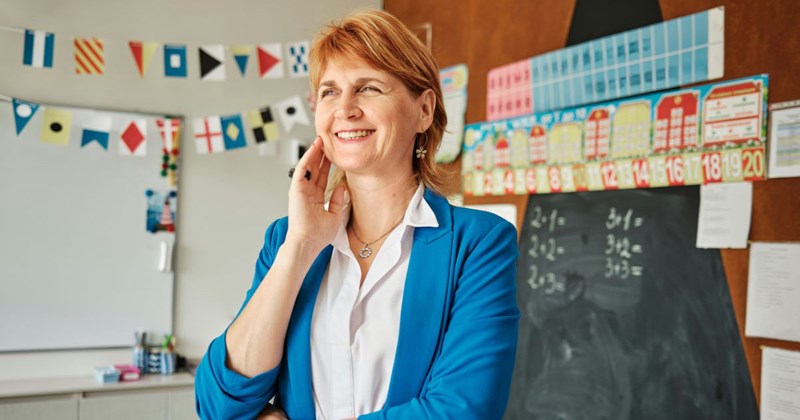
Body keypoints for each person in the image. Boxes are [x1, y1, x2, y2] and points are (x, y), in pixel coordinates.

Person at [195, 9, 520, 420]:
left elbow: (460, 410)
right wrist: (300, 246)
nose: (344, 109)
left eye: (368, 88)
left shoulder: (478, 243)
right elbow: (218, 404)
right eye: (329, 92)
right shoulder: (285, 238)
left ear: (424, 109)